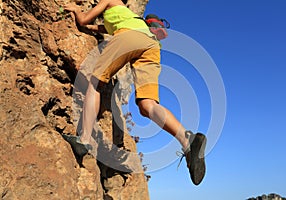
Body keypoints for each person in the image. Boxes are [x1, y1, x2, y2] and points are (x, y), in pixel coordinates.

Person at [62, 0, 207, 185]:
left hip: (129, 37)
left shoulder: (109, 0)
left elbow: (82, 20)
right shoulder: (131, 18)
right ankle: (187, 140)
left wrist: (76, 9)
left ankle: (84, 140)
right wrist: (94, 27)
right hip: (151, 47)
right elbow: (103, 28)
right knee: (147, 105)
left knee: (94, 82)